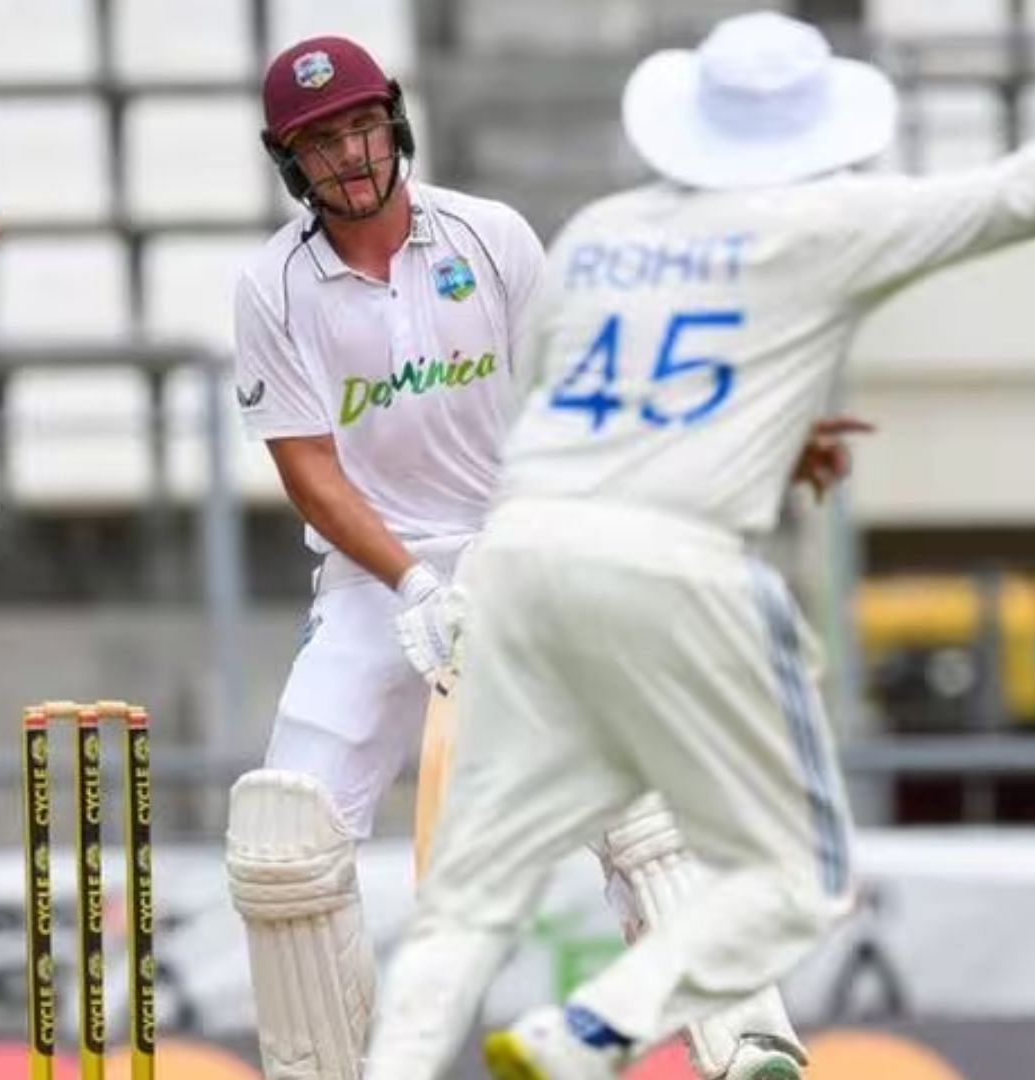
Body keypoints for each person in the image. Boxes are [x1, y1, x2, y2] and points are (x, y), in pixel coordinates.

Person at [361, 4, 1035, 1078]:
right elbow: (1034, 187)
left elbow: (563, 407)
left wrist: (759, 444)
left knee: (469, 896)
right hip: (668, 564)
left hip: (518, 558)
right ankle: (584, 1033)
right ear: (816, 131)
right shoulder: (822, 222)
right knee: (796, 880)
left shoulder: (602, 233)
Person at [221, 33, 853, 1080]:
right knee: (284, 833)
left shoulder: (494, 235)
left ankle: (743, 1044)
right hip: (381, 581)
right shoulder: (273, 287)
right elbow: (308, 469)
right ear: (290, 161)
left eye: (360, 124)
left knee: (645, 804)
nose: (348, 153)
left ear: (394, 119)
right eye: (320, 140)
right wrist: (415, 583)